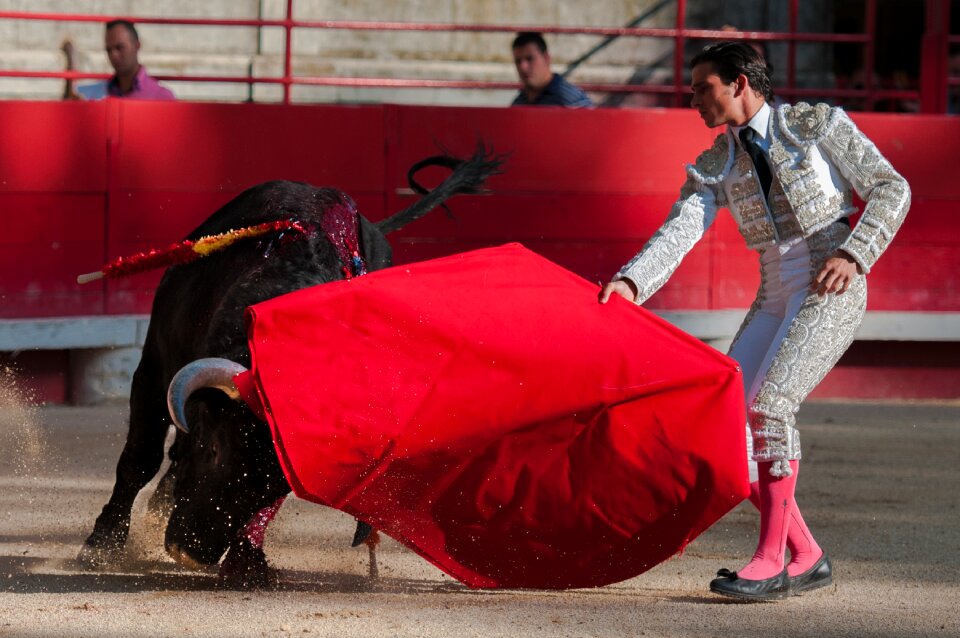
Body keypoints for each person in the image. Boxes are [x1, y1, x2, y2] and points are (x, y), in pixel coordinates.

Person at [599, 42, 910, 600]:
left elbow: (891, 187)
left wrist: (855, 251)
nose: (693, 98)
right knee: (723, 418)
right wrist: (631, 283)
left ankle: (771, 561)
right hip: (775, 292)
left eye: (702, 87)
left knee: (770, 407)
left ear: (739, 83)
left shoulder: (816, 124)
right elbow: (681, 228)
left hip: (831, 281)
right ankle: (807, 554)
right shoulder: (717, 160)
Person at [63, 20, 175, 101]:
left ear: (137, 46)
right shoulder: (93, 95)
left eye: (120, 48)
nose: (113, 55)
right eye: (108, 50)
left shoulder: (162, 97)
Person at [510, 32, 592, 108]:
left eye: (530, 59)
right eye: (518, 61)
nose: (523, 67)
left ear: (546, 58)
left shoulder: (571, 101)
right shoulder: (518, 103)